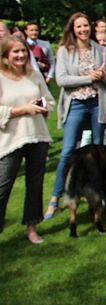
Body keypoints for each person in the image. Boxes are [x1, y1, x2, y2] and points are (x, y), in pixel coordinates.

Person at [46, 12, 106, 219]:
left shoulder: (100, 49)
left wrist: (103, 76)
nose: (83, 30)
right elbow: (62, 80)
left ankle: (97, 198)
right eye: (79, 27)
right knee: (68, 151)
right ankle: (55, 197)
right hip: (75, 103)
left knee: (97, 151)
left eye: (86, 26)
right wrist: (89, 77)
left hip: (97, 104)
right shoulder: (65, 51)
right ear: (72, 29)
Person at [0, 36, 54, 244]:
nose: (21, 55)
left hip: (37, 136)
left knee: (35, 184)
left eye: (23, 51)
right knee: (3, 187)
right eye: (15, 52)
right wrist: (23, 109)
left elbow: (48, 100)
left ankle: (32, 227)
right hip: (11, 140)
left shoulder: (34, 75)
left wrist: (41, 105)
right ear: (6, 55)